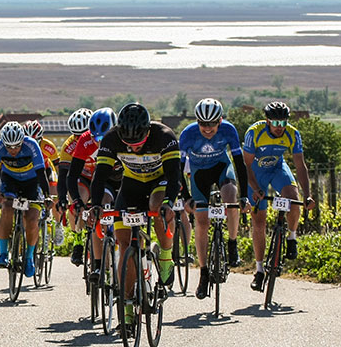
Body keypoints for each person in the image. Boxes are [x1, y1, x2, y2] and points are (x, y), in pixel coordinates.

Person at [87, 103, 180, 329]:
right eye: (129, 145)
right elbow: (99, 177)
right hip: (132, 186)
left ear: (148, 131)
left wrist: (169, 202)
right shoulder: (111, 140)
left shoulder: (164, 136)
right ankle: (127, 312)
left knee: (157, 205)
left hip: (160, 182)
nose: (134, 148)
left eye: (138, 144)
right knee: (123, 244)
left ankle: (166, 256)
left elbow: (175, 175)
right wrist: (96, 205)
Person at [179, 98, 249, 300]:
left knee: (231, 197)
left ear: (220, 121)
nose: (207, 129)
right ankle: (203, 273)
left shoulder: (229, 130)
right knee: (201, 220)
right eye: (203, 123)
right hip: (199, 174)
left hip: (221, 168)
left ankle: (233, 243)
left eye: (212, 124)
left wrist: (244, 196)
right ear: (197, 121)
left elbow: (239, 163)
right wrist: (186, 197)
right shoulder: (188, 134)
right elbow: (178, 169)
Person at [243, 101, 316, 292]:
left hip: (277, 169)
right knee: (259, 221)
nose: (279, 128)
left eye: (283, 123)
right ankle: (259, 270)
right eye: (275, 123)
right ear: (267, 121)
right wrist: (256, 188)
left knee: (293, 198)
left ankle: (291, 237)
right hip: (256, 173)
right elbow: (247, 167)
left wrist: (307, 195)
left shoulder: (293, 134)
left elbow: (300, 166)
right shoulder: (254, 132)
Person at [59, 107, 120, 280]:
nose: (98, 142)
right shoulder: (85, 141)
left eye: (102, 138)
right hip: (89, 177)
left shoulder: (122, 139)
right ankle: (96, 262)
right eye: (95, 137)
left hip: (114, 178)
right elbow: (70, 176)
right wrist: (76, 201)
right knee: (95, 209)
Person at [0, 121, 50, 278]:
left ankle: (29, 257)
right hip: (10, 180)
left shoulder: (32, 145)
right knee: (7, 207)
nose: (13, 150)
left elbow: (42, 173)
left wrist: (47, 195)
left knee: (31, 219)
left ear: (23, 140)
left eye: (17, 146)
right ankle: (3, 253)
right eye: (9, 147)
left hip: (32, 182)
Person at [24, 118, 65, 246]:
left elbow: (57, 167)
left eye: (36, 140)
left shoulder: (48, 146)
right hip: (30, 173)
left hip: (47, 171)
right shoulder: (22, 146)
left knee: (54, 196)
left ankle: (58, 225)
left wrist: (61, 186)